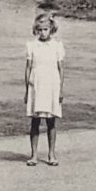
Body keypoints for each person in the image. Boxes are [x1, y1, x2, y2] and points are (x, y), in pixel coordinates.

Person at [24, 13, 64, 166]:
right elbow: (28, 69)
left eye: (46, 29)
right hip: (36, 86)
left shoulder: (57, 46)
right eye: (40, 30)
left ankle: (51, 154)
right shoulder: (31, 46)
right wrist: (27, 90)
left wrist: (61, 90)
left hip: (51, 86)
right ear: (36, 30)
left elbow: (61, 70)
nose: (43, 32)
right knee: (35, 121)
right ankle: (34, 155)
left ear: (51, 29)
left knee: (51, 122)